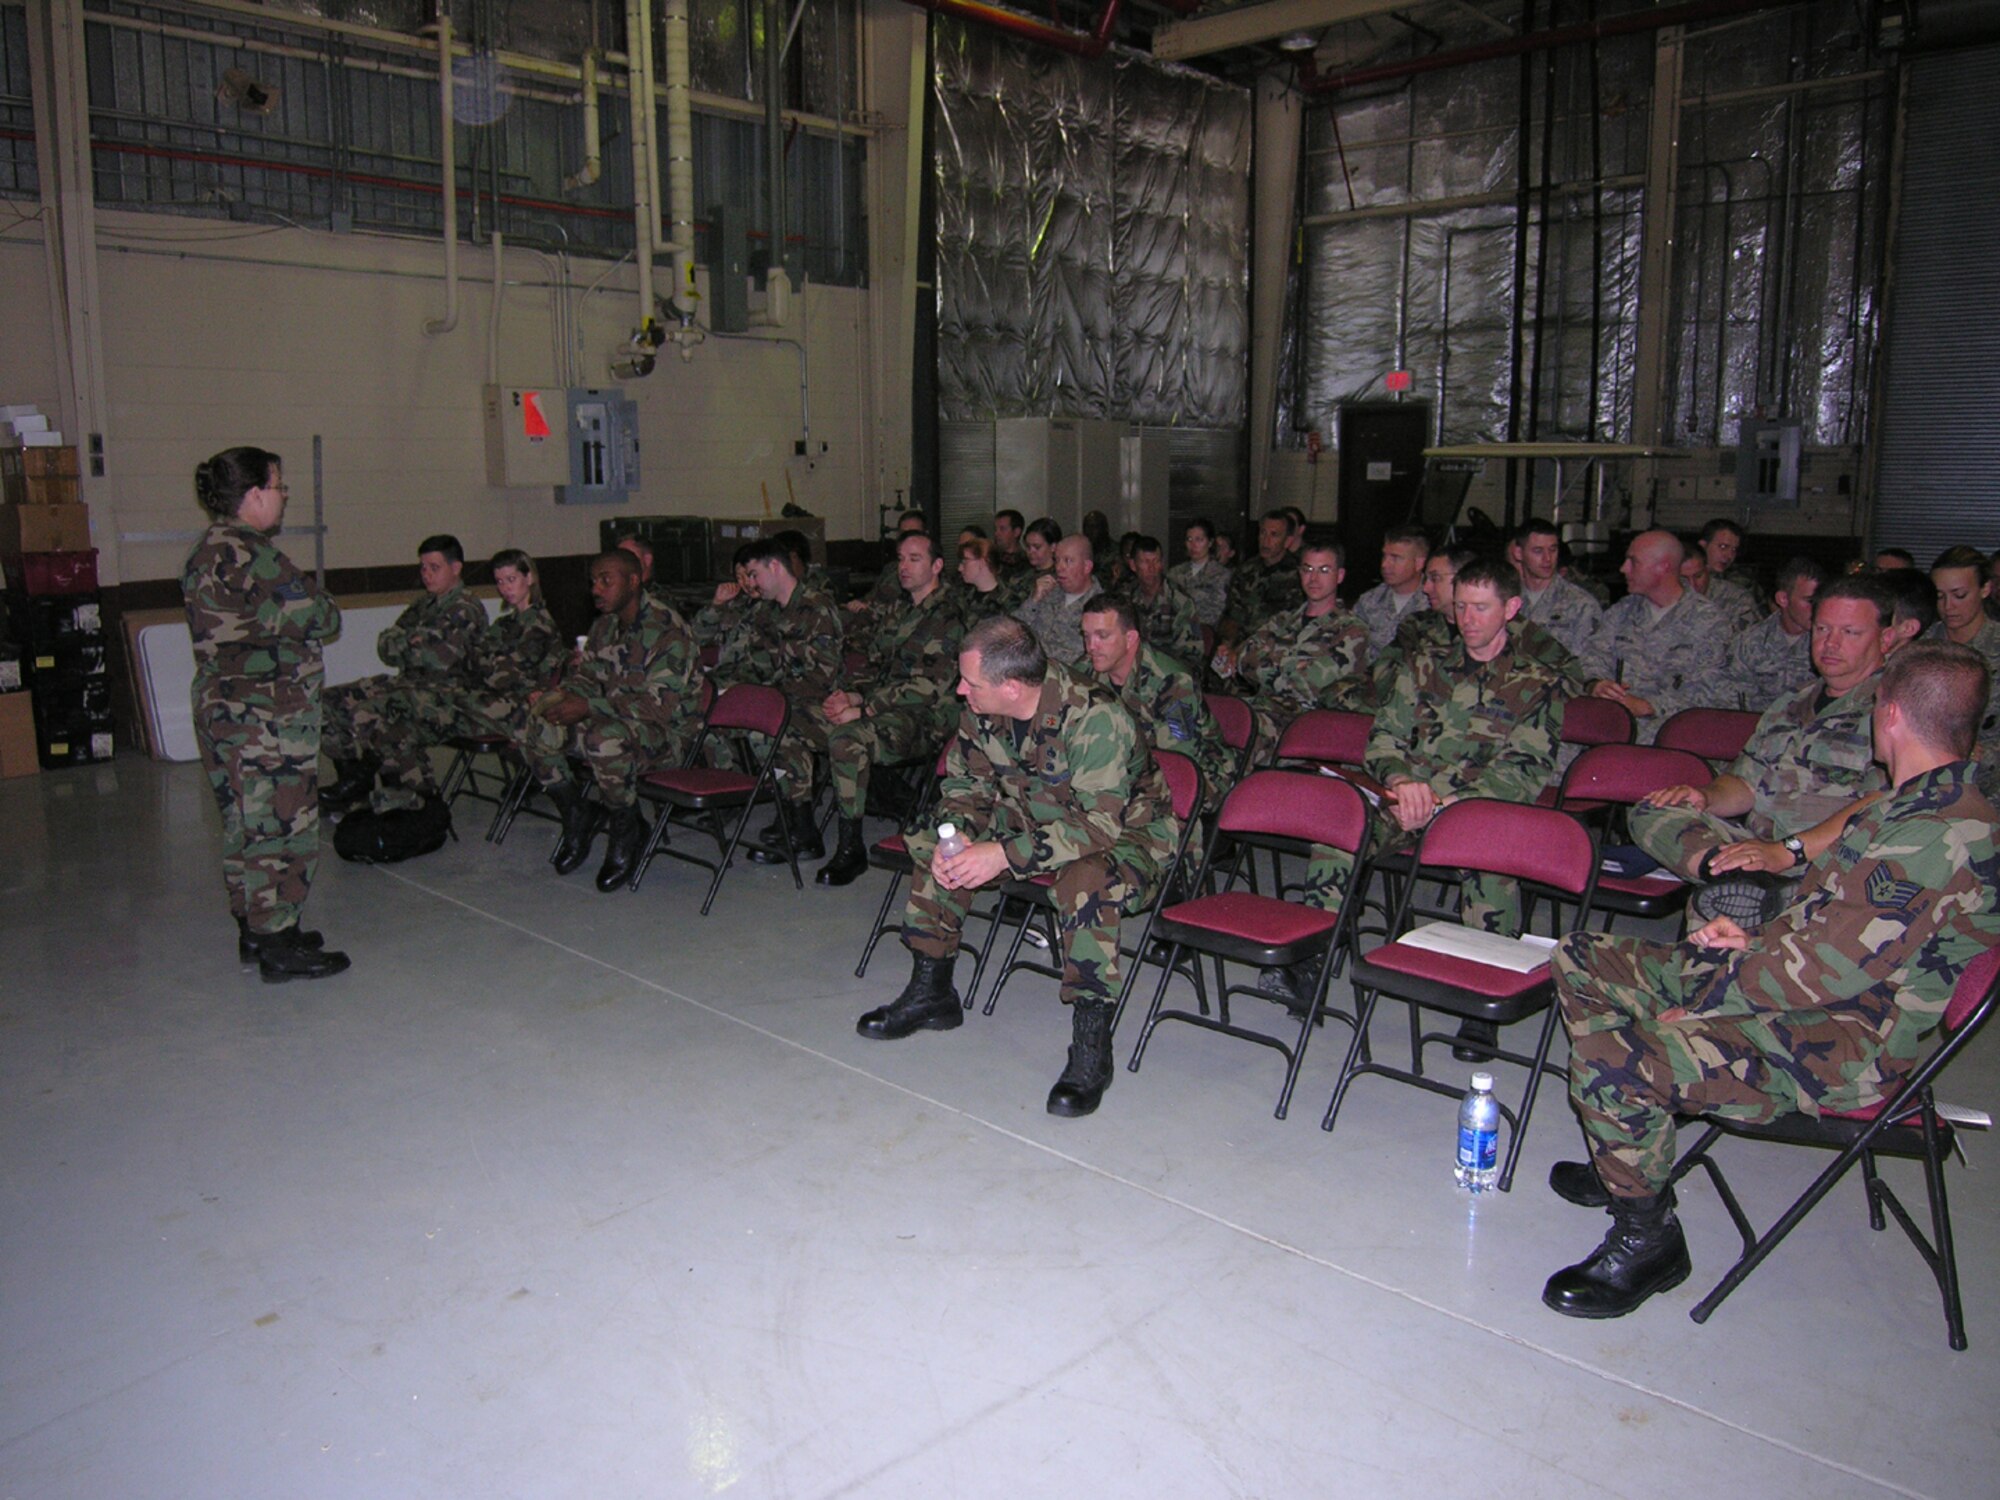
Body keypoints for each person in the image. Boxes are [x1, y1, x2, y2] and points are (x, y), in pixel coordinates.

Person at [1541, 640, 2000, 1320]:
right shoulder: (1901, 809)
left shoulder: (1940, 834)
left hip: (1846, 1046)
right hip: (1809, 991)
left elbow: (1825, 972)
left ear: (1890, 714)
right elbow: (1833, 936)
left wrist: (1700, 1010)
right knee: (1584, 954)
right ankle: (1630, 1153)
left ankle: (1649, 1237)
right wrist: (1751, 939)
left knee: (1616, 1059)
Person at [854, 617, 1179, 1119]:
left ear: (1011, 686)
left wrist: (1003, 854)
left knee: (1084, 882)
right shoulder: (982, 708)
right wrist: (958, 832)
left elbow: (1099, 826)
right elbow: (968, 786)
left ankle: (1092, 1045)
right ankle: (932, 991)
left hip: (1127, 835)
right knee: (934, 846)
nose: (960, 690)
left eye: (971, 682)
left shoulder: (1096, 718)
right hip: (1036, 813)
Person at [1283, 559, 1565, 1012]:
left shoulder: (1538, 683)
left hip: (1474, 809)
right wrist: (1399, 780)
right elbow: (1384, 738)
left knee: (1492, 867)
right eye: (1460, 607)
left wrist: (1446, 803)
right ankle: (1310, 965)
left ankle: (1481, 995)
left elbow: (1523, 771)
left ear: (1511, 608)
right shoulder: (1424, 665)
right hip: (1404, 801)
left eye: (1480, 608)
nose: (1467, 620)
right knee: (1339, 834)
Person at [181, 445, 350, 982]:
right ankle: (279, 944)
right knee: (281, 825)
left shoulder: (206, 550)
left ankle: (258, 929)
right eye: (278, 487)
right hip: (266, 718)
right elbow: (322, 619)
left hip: (224, 711)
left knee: (243, 825)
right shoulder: (256, 555)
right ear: (254, 495)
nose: (283, 497)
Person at [1631, 575, 1892, 919]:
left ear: (1885, 638)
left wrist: (1786, 853)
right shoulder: (1791, 703)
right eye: (1822, 630)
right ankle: (1735, 877)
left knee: (1715, 910)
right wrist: (1706, 796)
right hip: (1757, 851)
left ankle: (1746, 886)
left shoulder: (1893, 709)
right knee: (1650, 808)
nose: (1831, 644)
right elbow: (1745, 782)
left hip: (1827, 861)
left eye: (1850, 633)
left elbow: (1882, 806)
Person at [518, 550, 701, 892]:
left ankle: (626, 828)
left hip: (668, 737)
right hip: (615, 718)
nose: (596, 589)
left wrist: (588, 706)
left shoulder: (667, 629)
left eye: (606, 580)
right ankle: (577, 813)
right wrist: (560, 698)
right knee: (540, 718)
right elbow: (588, 676)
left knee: (603, 739)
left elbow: (657, 707)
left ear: (634, 581)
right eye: (593, 582)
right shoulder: (605, 625)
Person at [813, 533, 966, 887]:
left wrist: (864, 709)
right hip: (888, 709)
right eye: (900, 558)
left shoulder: (948, 616)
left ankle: (851, 849)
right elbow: (876, 665)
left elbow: (930, 686)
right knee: (816, 719)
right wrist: (850, 696)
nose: (904, 566)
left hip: (928, 717)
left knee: (848, 739)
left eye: (914, 558)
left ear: (937, 566)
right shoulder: (900, 610)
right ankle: (893, 799)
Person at [364, 549, 566, 816]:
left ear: (529, 579)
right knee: (400, 727)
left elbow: (502, 674)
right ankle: (420, 802)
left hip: (510, 707)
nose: (505, 588)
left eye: (511, 579)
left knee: (414, 703)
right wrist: (486, 662)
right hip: (480, 702)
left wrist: (486, 663)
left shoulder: (539, 624)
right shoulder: (506, 624)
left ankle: (566, 799)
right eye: (500, 582)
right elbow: (473, 661)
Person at [320, 534, 489, 814]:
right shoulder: (423, 605)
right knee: (329, 702)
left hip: (447, 696)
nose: (426, 574)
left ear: (456, 568)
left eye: (434, 567)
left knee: (368, 712)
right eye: (423, 567)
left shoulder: (465, 608)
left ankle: (406, 793)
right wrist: (414, 642)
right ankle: (352, 780)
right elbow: (385, 645)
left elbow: (439, 659)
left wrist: (408, 643)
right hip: (410, 685)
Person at [1212, 534, 1372, 765]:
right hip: (1260, 709)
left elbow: (1306, 685)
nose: (1314, 578)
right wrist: (1291, 664)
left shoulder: (1352, 631)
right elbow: (1244, 659)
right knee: (1202, 722)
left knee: (1229, 745)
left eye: (1324, 570)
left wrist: (1268, 661)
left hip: (1304, 723)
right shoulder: (1284, 620)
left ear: (1340, 576)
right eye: (1307, 569)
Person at [1079, 596, 1233, 826]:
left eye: (1102, 636)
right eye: (1086, 635)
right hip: (1127, 766)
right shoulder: (1086, 669)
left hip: (1197, 773)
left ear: (1130, 638)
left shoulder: (1172, 681)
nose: (1091, 646)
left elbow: (1178, 760)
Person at [1579, 530, 1730, 742]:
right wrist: (1596, 684)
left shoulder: (1708, 622)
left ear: (1663, 566)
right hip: (1613, 730)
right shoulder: (1623, 611)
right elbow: (1591, 656)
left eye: (1634, 562)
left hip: (1673, 737)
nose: (1624, 569)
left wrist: (1647, 706)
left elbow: (1712, 694)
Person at [1926, 544, 2000, 796]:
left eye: (1959, 595)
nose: (1948, 606)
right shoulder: (1922, 650)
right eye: (1939, 596)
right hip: (1929, 787)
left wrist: (1984, 754)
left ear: (1985, 589)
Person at [1721, 555, 1823, 709]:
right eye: (1809, 601)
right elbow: (1735, 702)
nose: (1817, 608)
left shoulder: (1829, 642)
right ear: (1783, 599)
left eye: (1820, 600)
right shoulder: (1750, 643)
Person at [1515, 517, 1603, 659]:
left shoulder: (1581, 604)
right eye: (1538, 551)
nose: (1547, 558)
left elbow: (1589, 665)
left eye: (1553, 550)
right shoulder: (1506, 598)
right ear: (1519, 553)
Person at [1013, 534, 1103, 667]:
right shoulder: (1048, 592)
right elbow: (1013, 630)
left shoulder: (1100, 607)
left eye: (1068, 561)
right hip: (1027, 668)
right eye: (1057, 560)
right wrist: (1034, 600)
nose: (1059, 567)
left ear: (1087, 567)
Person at [1114, 535, 1204, 667]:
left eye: (1155, 561)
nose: (1151, 568)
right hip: (1130, 668)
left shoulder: (1180, 601)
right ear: (1133, 565)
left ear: (1161, 563)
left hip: (1169, 672)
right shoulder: (1123, 597)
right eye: (1145, 562)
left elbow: (1191, 655)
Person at [1218, 509, 1302, 646]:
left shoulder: (1299, 575)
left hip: (1277, 648)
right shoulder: (1245, 571)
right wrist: (1228, 645)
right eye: (1263, 533)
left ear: (1287, 541)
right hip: (1241, 645)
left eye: (1274, 535)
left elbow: (1296, 622)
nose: (1266, 541)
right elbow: (1232, 615)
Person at [1351, 526, 1432, 654]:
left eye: (1396, 558)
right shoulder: (1369, 601)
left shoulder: (1433, 602)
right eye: (1384, 556)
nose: (1384, 565)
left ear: (1419, 563)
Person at [1678, 538, 1760, 635]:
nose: (1692, 584)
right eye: (1683, 579)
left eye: (1698, 576)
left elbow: (1751, 641)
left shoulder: (1737, 598)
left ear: (1707, 569)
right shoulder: (1661, 598)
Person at [1168, 517, 1230, 629]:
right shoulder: (1175, 573)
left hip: (1206, 632)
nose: (1193, 545)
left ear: (1210, 542)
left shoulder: (1221, 575)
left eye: (1199, 540)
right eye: (1189, 539)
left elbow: (1218, 612)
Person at [957, 536, 1030, 615]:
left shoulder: (1009, 602)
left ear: (982, 562)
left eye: (965, 562)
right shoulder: (963, 597)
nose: (960, 568)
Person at [992, 508, 1029, 575]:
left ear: (1016, 532)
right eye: (996, 529)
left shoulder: (1028, 562)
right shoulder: (991, 558)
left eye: (1002, 529)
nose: (996, 533)